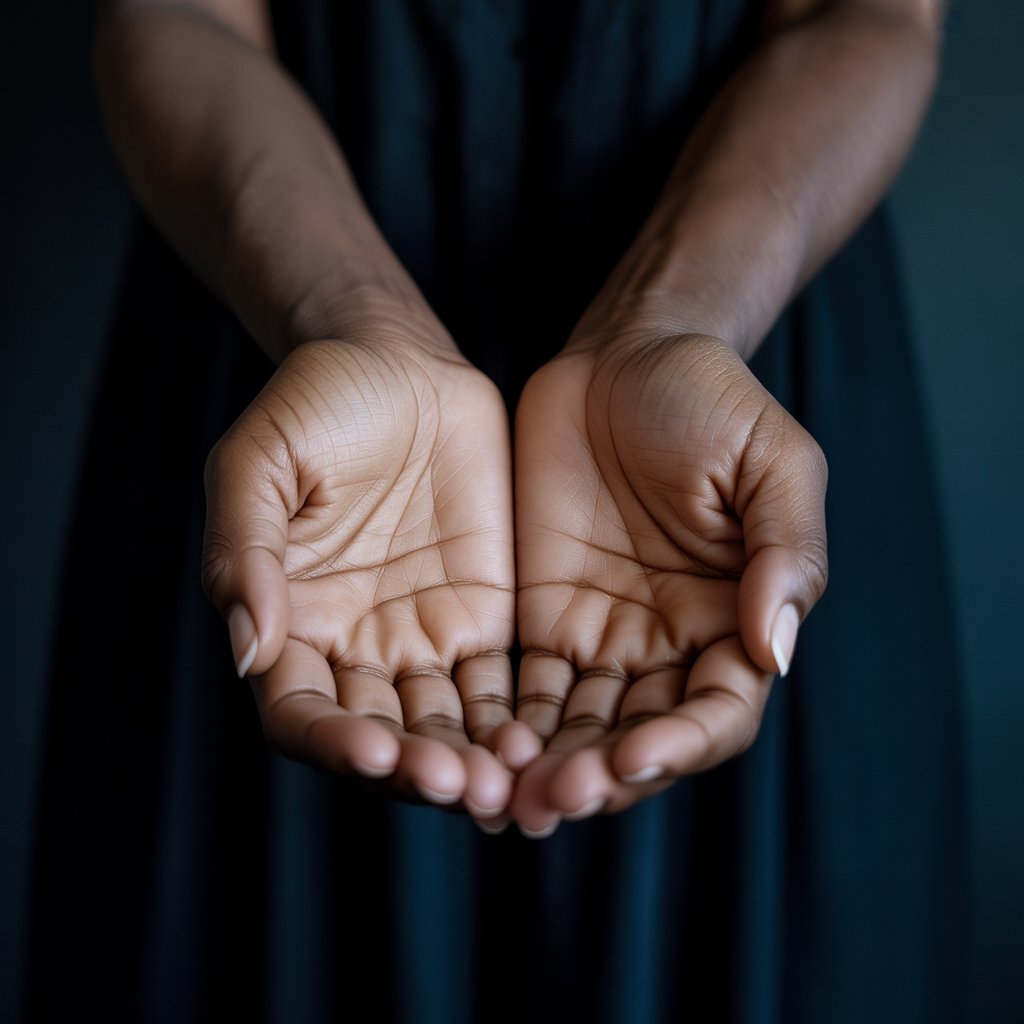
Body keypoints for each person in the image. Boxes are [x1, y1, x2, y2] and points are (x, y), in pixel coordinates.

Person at [28, 1, 965, 1021]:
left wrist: (676, 319)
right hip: (294, 389)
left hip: (729, 391)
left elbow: (865, 16)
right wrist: (346, 313)